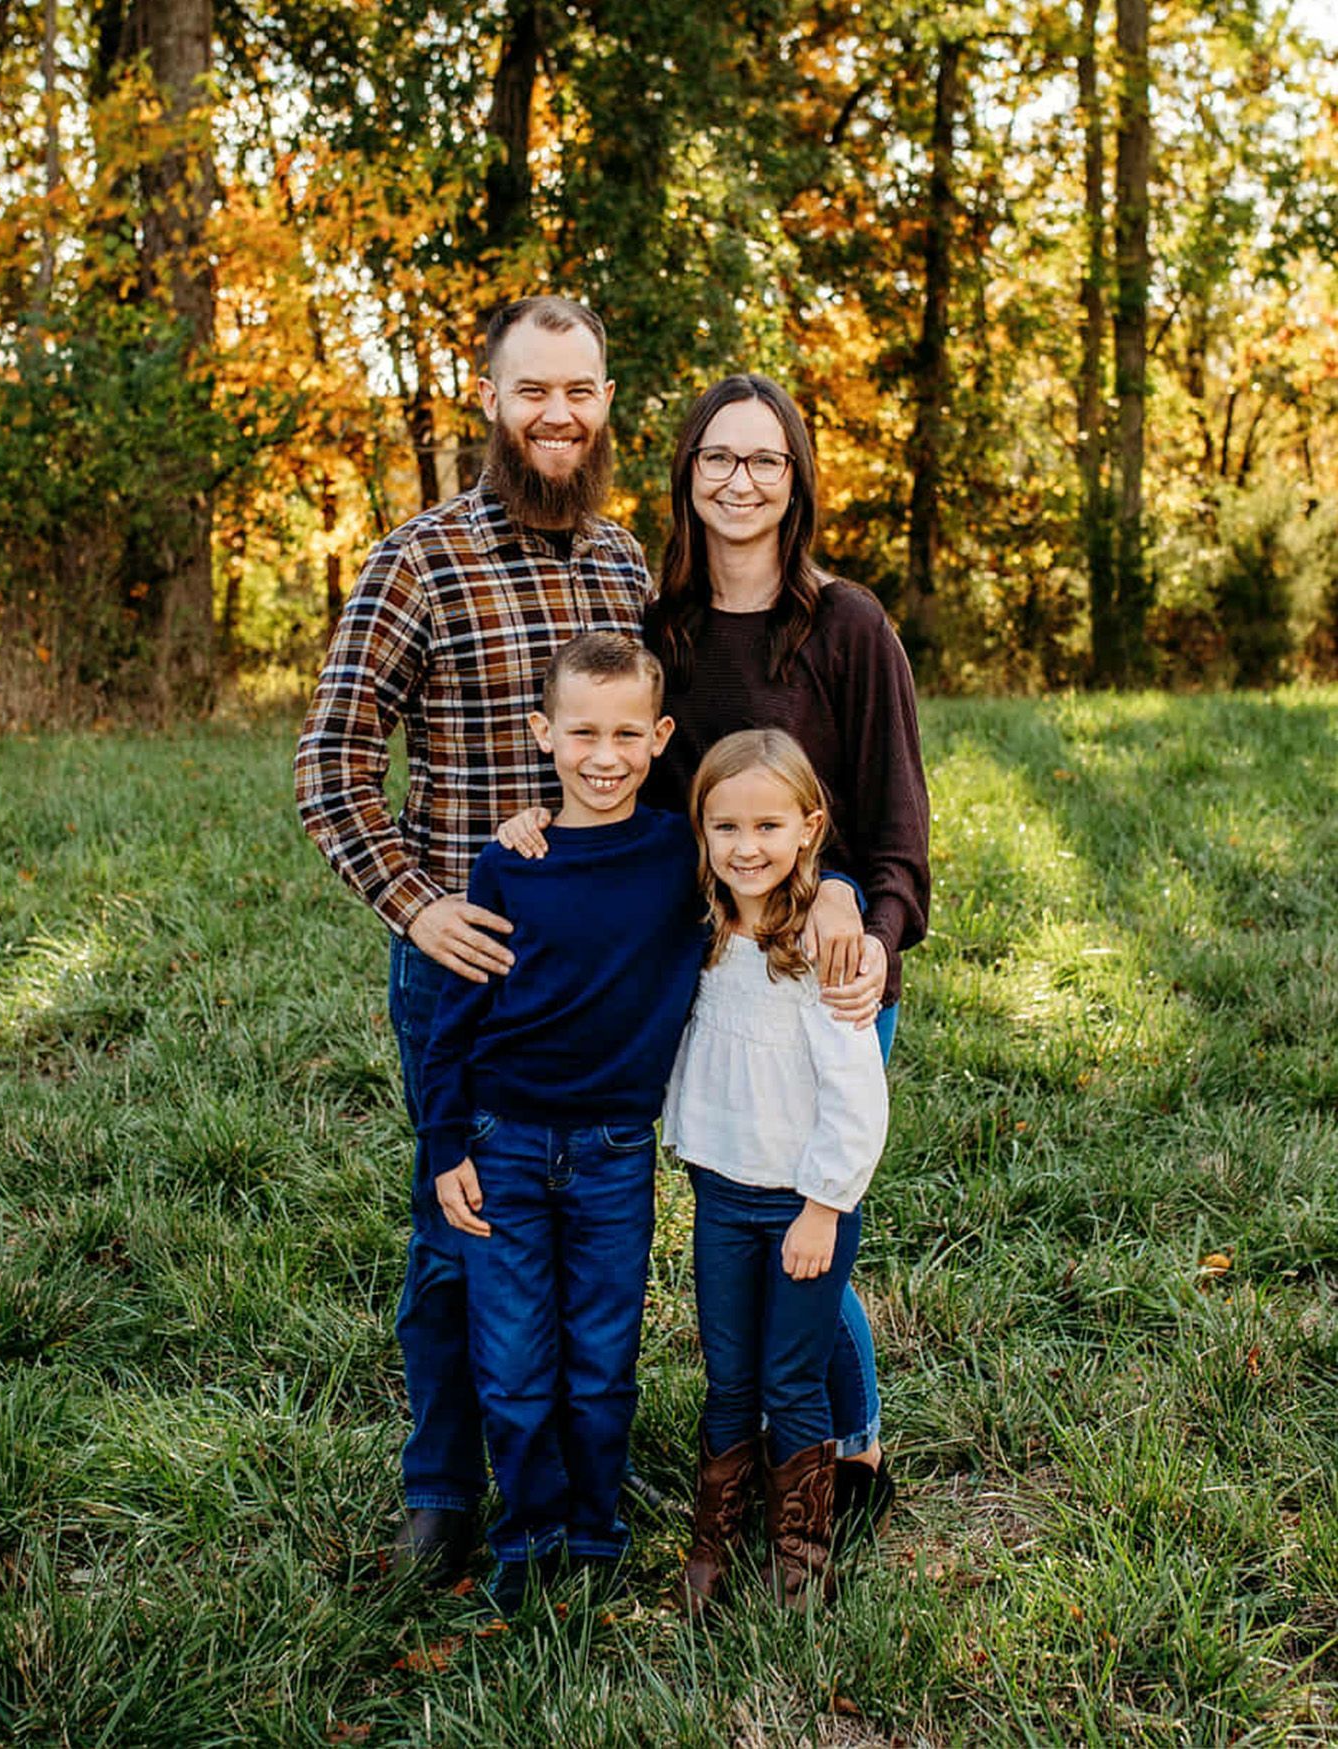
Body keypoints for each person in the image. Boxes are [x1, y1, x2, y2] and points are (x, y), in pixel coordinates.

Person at [504, 372, 932, 1531]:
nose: (739, 481)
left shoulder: (845, 625)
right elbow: (620, 781)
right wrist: (547, 822)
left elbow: (896, 822)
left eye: (765, 461)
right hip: (704, 970)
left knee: (813, 1207)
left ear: (795, 482)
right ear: (686, 475)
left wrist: (869, 925)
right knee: (741, 1205)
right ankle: (751, 1449)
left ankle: (847, 1449)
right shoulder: (658, 633)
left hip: (831, 967)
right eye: (716, 459)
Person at [295, 296, 652, 1584]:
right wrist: (417, 905)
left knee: (595, 1231)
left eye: (582, 390)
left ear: (607, 401)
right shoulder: (419, 561)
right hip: (467, 972)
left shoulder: (624, 566)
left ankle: (568, 1479)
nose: (559, 414)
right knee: (460, 1227)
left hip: (602, 983)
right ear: (488, 400)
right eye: (533, 390)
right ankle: (441, 1490)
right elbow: (331, 765)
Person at [419, 633, 705, 1613]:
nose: (604, 753)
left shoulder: (679, 854)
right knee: (508, 1367)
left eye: (628, 732)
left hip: (615, 1152)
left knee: (598, 1363)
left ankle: (593, 1536)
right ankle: (525, 1534)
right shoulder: (507, 863)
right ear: (542, 734)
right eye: (581, 730)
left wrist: (839, 900)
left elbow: (774, 845)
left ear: (660, 736)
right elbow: (457, 1014)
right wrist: (443, 1143)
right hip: (500, 1141)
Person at [662, 729, 888, 1611]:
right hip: (720, 1197)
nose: (745, 847)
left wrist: (824, 1206)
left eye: (767, 825)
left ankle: (801, 1554)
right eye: (725, 827)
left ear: (809, 828)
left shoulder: (819, 957)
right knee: (729, 1374)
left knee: (792, 1376)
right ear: (701, 831)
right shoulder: (707, 938)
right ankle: (712, 1542)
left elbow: (857, 1099)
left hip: (804, 1206)